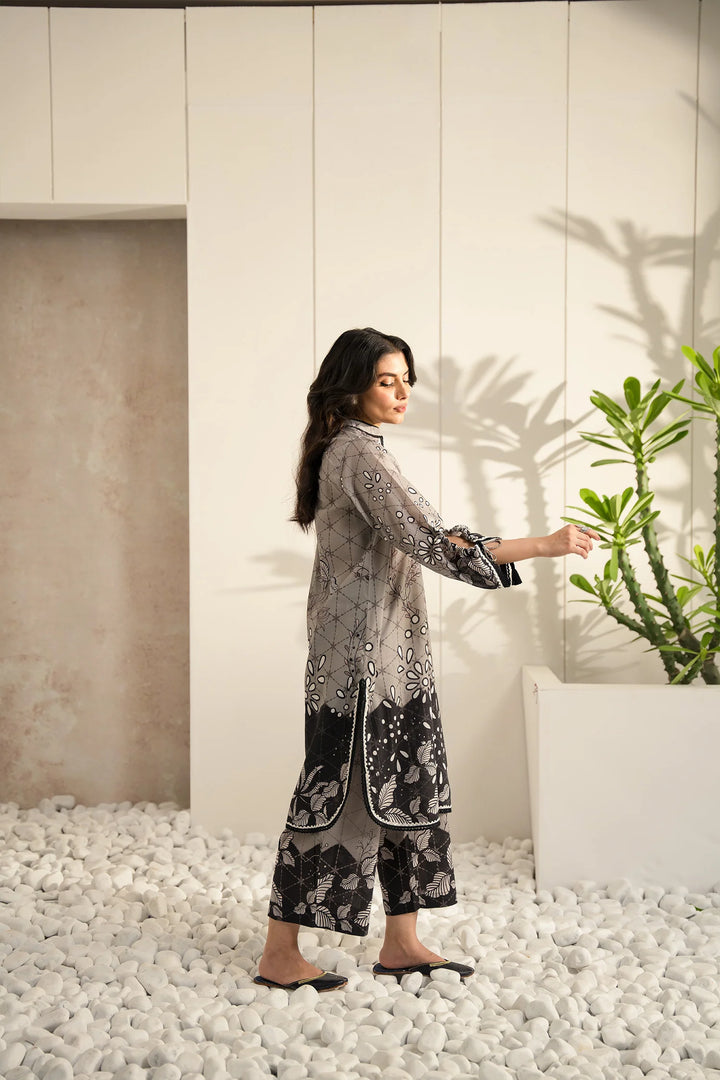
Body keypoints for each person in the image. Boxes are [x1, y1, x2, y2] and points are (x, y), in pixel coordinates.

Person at [255, 328, 598, 993]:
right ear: (351, 386)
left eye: (407, 379)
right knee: (337, 798)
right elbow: (434, 541)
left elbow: (426, 538)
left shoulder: (358, 448)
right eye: (387, 380)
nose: (402, 392)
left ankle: (403, 942)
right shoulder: (359, 454)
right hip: (361, 662)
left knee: (404, 786)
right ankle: (279, 953)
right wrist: (543, 544)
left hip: (393, 657)